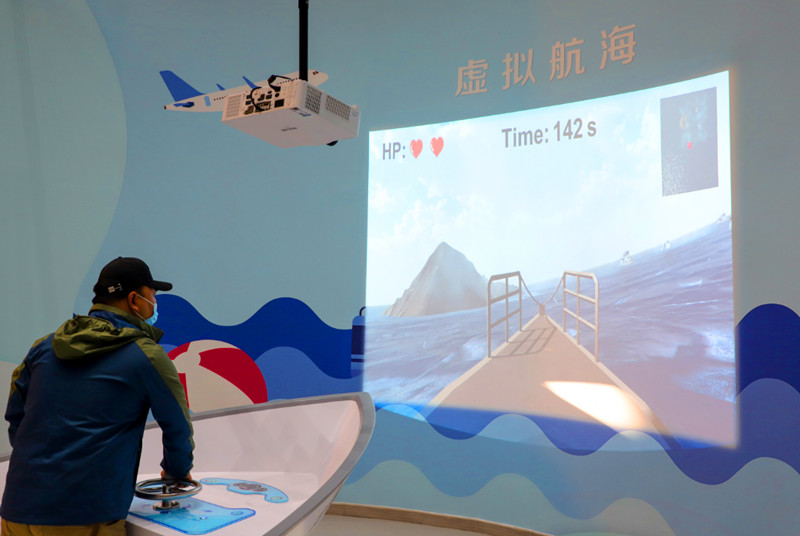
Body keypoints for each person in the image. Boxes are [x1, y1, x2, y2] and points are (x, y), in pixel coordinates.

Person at [0, 257, 194, 536]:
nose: (154, 303)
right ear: (134, 300)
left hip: (17, 511)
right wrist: (177, 473)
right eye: (152, 295)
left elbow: (16, 416)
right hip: (84, 515)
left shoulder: (43, 347)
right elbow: (177, 427)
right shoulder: (145, 355)